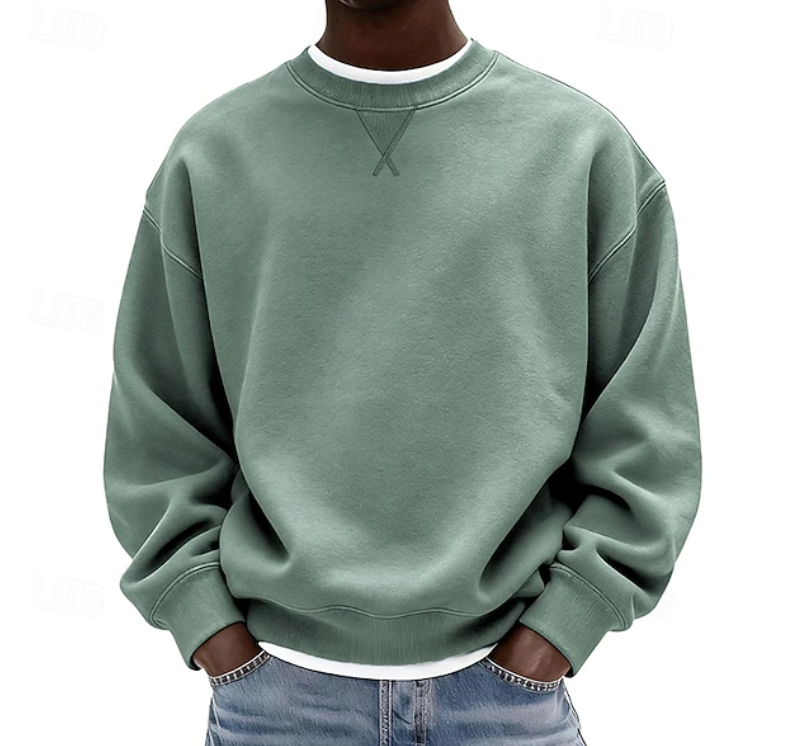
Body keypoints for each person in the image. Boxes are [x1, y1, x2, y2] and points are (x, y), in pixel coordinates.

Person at [102, 0, 702, 743]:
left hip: (507, 700)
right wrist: (208, 626)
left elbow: (647, 434)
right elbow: (158, 427)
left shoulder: (581, 149)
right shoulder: (214, 154)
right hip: (277, 700)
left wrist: (565, 623)